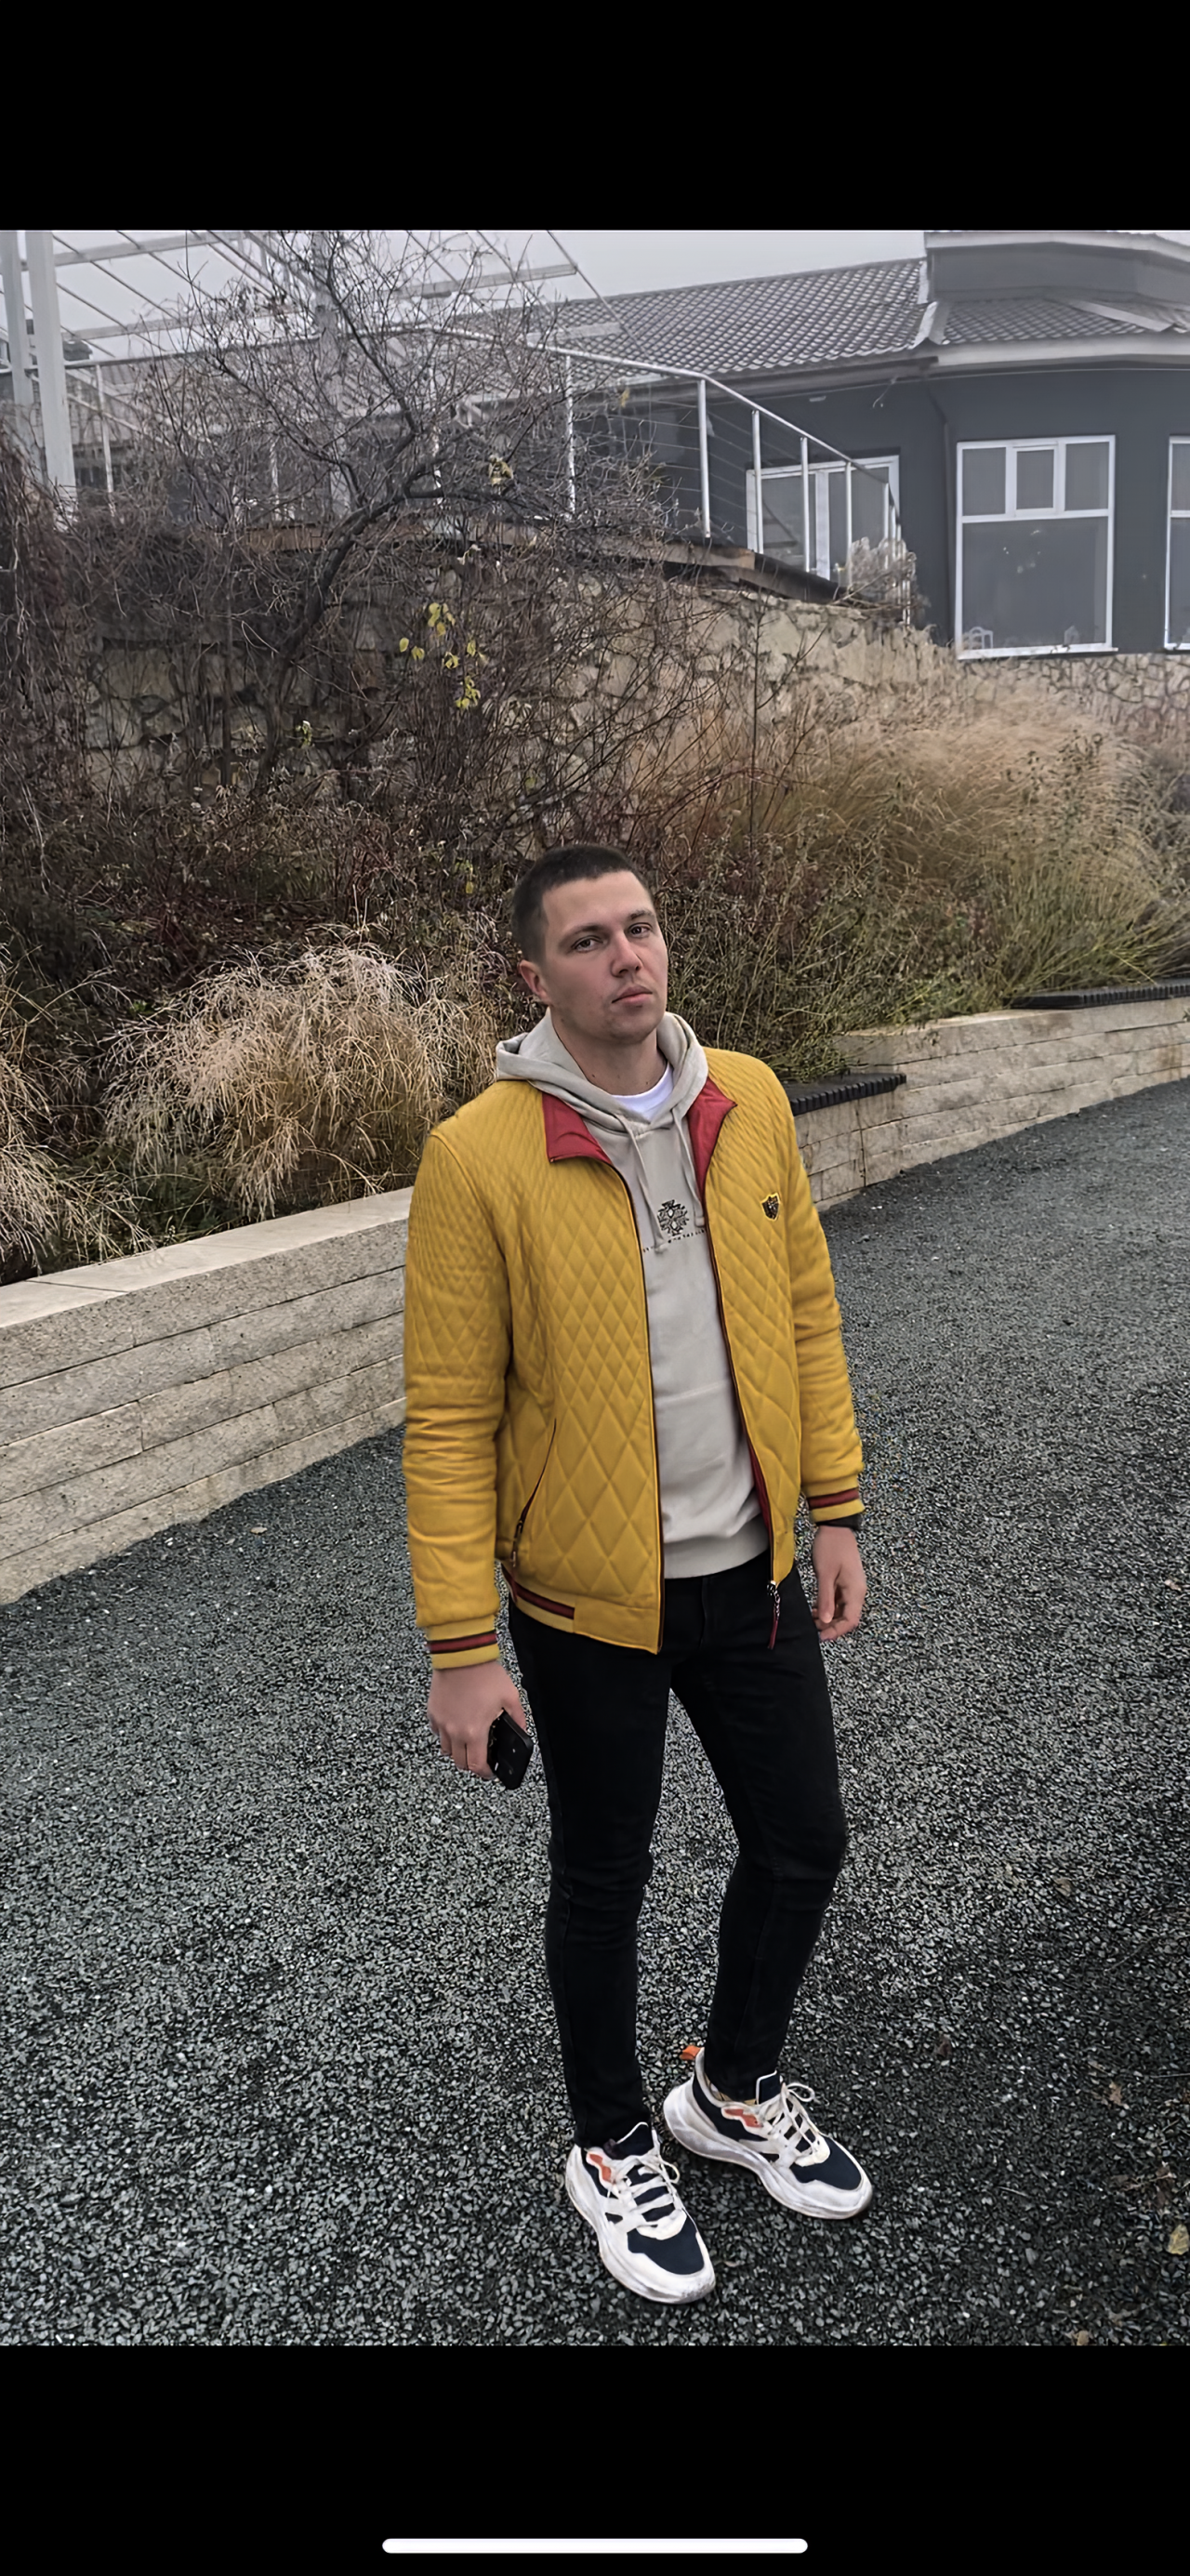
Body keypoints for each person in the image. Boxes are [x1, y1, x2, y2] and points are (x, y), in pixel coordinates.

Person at [403, 845, 872, 2306]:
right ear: (534, 975)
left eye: (642, 926)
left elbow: (807, 1308)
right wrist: (461, 1645)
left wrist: (837, 1508)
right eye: (590, 939)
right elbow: (449, 1414)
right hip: (586, 1600)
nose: (628, 955)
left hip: (753, 1568)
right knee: (604, 1875)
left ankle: (729, 2087)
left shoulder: (752, 1099)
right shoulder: (478, 1154)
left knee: (805, 1839)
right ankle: (611, 2141)